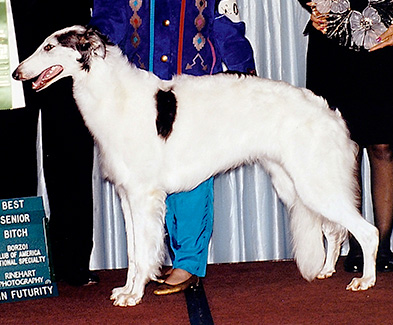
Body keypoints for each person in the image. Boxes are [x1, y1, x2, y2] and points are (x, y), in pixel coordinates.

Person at [90, 0, 255, 294]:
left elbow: (226, 24)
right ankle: (147, 263)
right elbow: (109, 22)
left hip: (195, 89)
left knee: (192, 175)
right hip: (140, 94)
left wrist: (244, 72)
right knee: (141, 186)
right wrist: (93, 45)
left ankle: (188, 264)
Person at [299, 0, 393, 272]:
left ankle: (382, 244)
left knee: (384, 145)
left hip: (385, 37)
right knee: (344, 146)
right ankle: (358, 242)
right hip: (333, 43)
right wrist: (314, 7)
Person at [7, 0, 98, 286]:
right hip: (10, 23)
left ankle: (72, 261)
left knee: (71, 148)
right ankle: (14, 261)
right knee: (10, 148)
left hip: (65, 26)